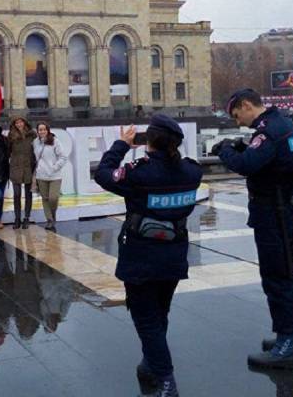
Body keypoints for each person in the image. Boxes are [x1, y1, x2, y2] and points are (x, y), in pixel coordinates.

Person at [95, 114, 202, 397]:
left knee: (146, 320)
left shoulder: (139, 172)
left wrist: (121, 144)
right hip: (174, 255)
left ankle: (166, 380)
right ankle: (151, 364)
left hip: (141, 257)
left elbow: (103, 173)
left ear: (149, 141)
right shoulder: (192, 172)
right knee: (160, 313)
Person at [211, 89, 293, 370]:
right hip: (280, 207)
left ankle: (287, 344)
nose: (237, 120)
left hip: (274, 212)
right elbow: (273, 161)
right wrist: (244, 146)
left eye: (236, 114)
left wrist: (225, 150)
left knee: (279, 275)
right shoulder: (282, 124)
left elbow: (248, 165)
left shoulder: (268, 130)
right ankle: (286, 336)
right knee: (281, 272)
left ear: (246, 105)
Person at [33, 121, 67, 231]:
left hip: (54, 176)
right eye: (40, 130)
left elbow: (63, 157)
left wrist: (54, 167)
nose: (42, 131)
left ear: (48, 130)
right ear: (37, 131)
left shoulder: (55, 141)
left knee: (53, 198)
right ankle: (49, 220)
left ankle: (52, 214)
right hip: (41, 176)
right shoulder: (35, 142)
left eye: (44, 129)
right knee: (45, 198)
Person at [8, 117, 36, 229]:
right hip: (15, 167)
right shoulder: (11, 136)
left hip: (29, 166)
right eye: (17, 122)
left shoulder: (32, 135)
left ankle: (26, 218)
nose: (19, 124)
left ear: (25, 123)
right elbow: (7, 151)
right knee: (16, 194)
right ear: (14, 124)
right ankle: (17, 218)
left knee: (28, 194)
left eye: (21, 122)